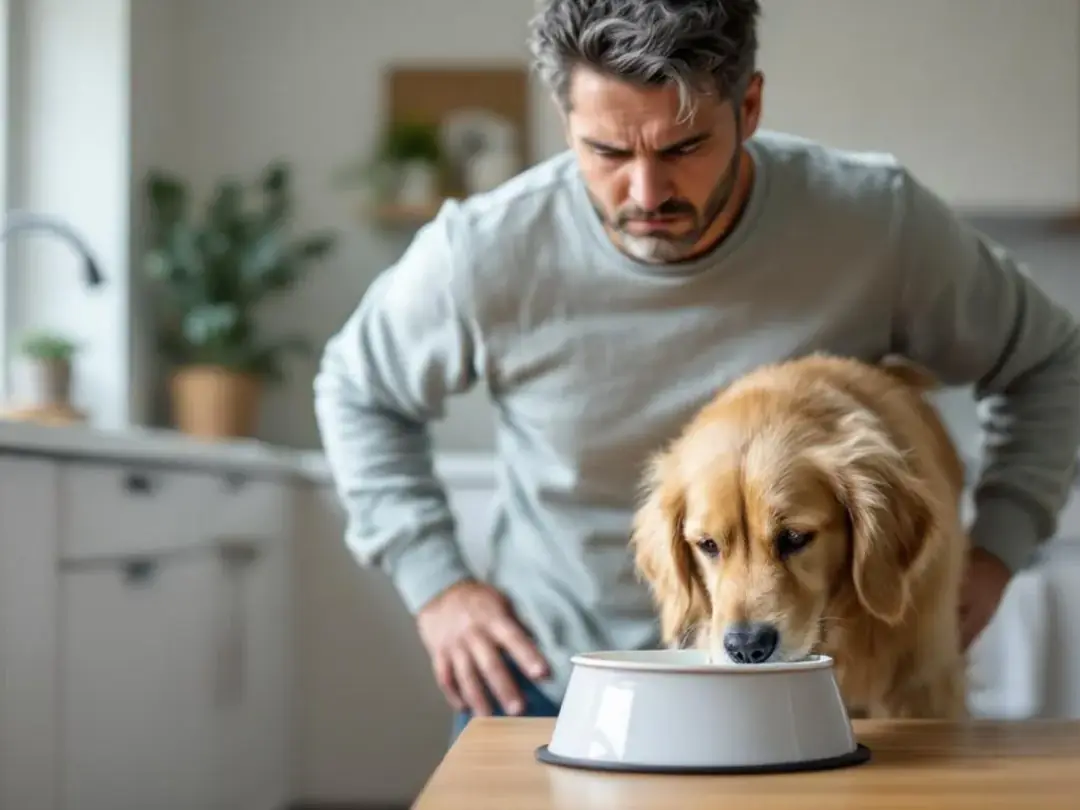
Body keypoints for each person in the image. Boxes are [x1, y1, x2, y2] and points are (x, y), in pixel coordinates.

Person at [314, 0, 1080, 742]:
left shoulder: (873, 221)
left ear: (748, 107)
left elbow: (1051, 358)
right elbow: (355, 390)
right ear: (565, 120)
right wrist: (438, 586)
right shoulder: (484, 250)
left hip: (819, 692)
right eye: (608, 151)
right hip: (556, 683)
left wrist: (998, 549)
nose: (645, 194)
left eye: (682, 148)